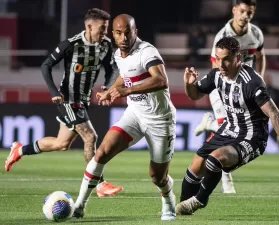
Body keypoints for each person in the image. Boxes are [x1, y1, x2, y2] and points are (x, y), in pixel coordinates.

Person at [4, 8, 123, 198]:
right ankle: (99, 185)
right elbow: (46, 66)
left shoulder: (106, 45)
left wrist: (107, 88)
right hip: (68, 99)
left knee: (61, 144)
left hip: (83, 101)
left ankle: (20, 149)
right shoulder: (71, 44)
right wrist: (54, 92)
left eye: (106, 28)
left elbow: (111, 69)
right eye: (102, 28)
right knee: (90, 137)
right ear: (89, 26)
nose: (105, 33)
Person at [176, 36, 279, 215]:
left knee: (216, 158)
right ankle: (181, 211)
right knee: (195, 165)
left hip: (252, 137)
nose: (221, 64)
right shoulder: (216, 75)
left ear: (238, 59)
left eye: (226, 59)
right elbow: (194, 95)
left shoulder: (252, 82)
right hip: (229, 129)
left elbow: (274, 113)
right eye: (218, 59)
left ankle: (200, 200)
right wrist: (188, 84)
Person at [72, 14, 177, 221]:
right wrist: (111, 90)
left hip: (160, 120)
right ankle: (79, 206)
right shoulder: (119, 54)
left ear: (135, 31)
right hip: (135, 115)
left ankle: (168, 199)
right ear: (114, 34)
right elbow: (125, 75)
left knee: (157, 176)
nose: (124, 37)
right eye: (119, 33)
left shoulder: (146, 51)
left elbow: (161, 80)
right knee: (101, 153)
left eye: (128, 32)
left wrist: (126, 91)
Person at [194, 0, 266, 194]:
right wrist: (221, 90)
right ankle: (227, 182)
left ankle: (209, 125)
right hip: (223, 89)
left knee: (236, 127)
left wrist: (260, 80)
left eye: (249, 13)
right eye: (242, 11)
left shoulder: (256, 34)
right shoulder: (223, 36)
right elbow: (215, 67)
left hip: (246, 91)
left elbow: (260, 56)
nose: (245, 16)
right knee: (229, 130)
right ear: (234, 10)